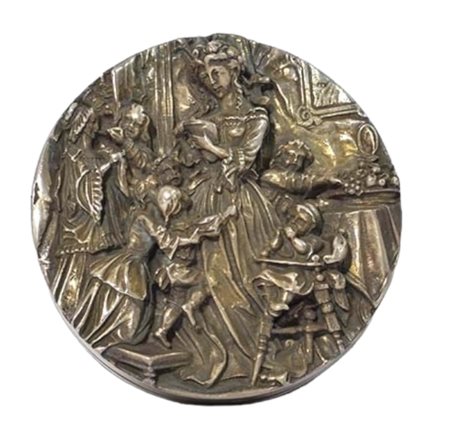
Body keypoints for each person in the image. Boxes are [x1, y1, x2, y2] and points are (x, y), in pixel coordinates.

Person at [175, 40, 296, 384]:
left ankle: (253, 357)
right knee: (212, 276)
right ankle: (221, 357)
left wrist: (211, 146)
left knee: (243, 277)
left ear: (233, 71)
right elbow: (192, 161)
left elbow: (244, 161)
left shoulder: (256, 116)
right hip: (209, 201)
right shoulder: (206, 118)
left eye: (218, 72)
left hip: (242, 206)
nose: (213, 79)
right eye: (207, 75)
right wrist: (190, 144)